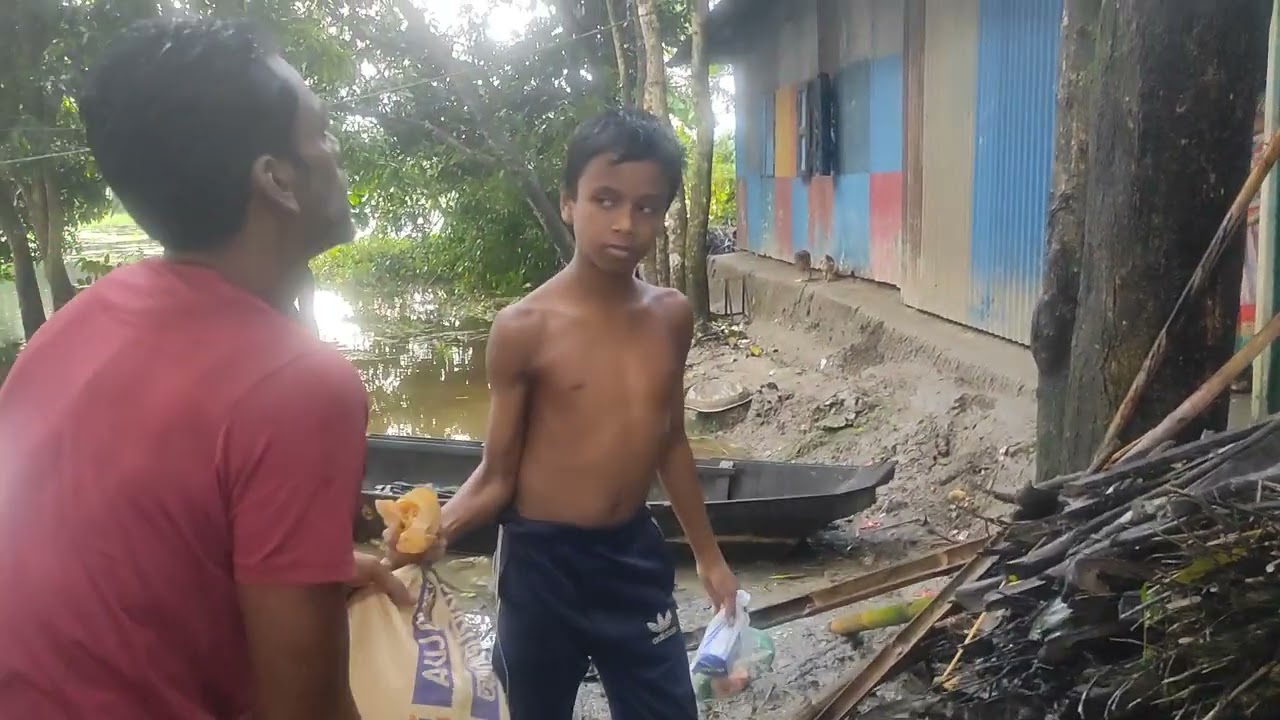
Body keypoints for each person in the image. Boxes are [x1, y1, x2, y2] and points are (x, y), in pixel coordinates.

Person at [0, 17, 409, 720]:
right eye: (324, 134)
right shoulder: (300, 387)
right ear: (277, 179)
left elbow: (124, 551)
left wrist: (318, 572)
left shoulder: (81, 320)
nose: (336, 153)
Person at [428, 108, 741, 720]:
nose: (626, 223)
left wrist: (709, 556)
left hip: (631, 555)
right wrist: (433, 532)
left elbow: (670, 440)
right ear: (569, 202)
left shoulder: (670, 316)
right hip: (541, 567)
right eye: (606, 199)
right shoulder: (524, 328)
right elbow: (496, 477)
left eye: (647, 206)